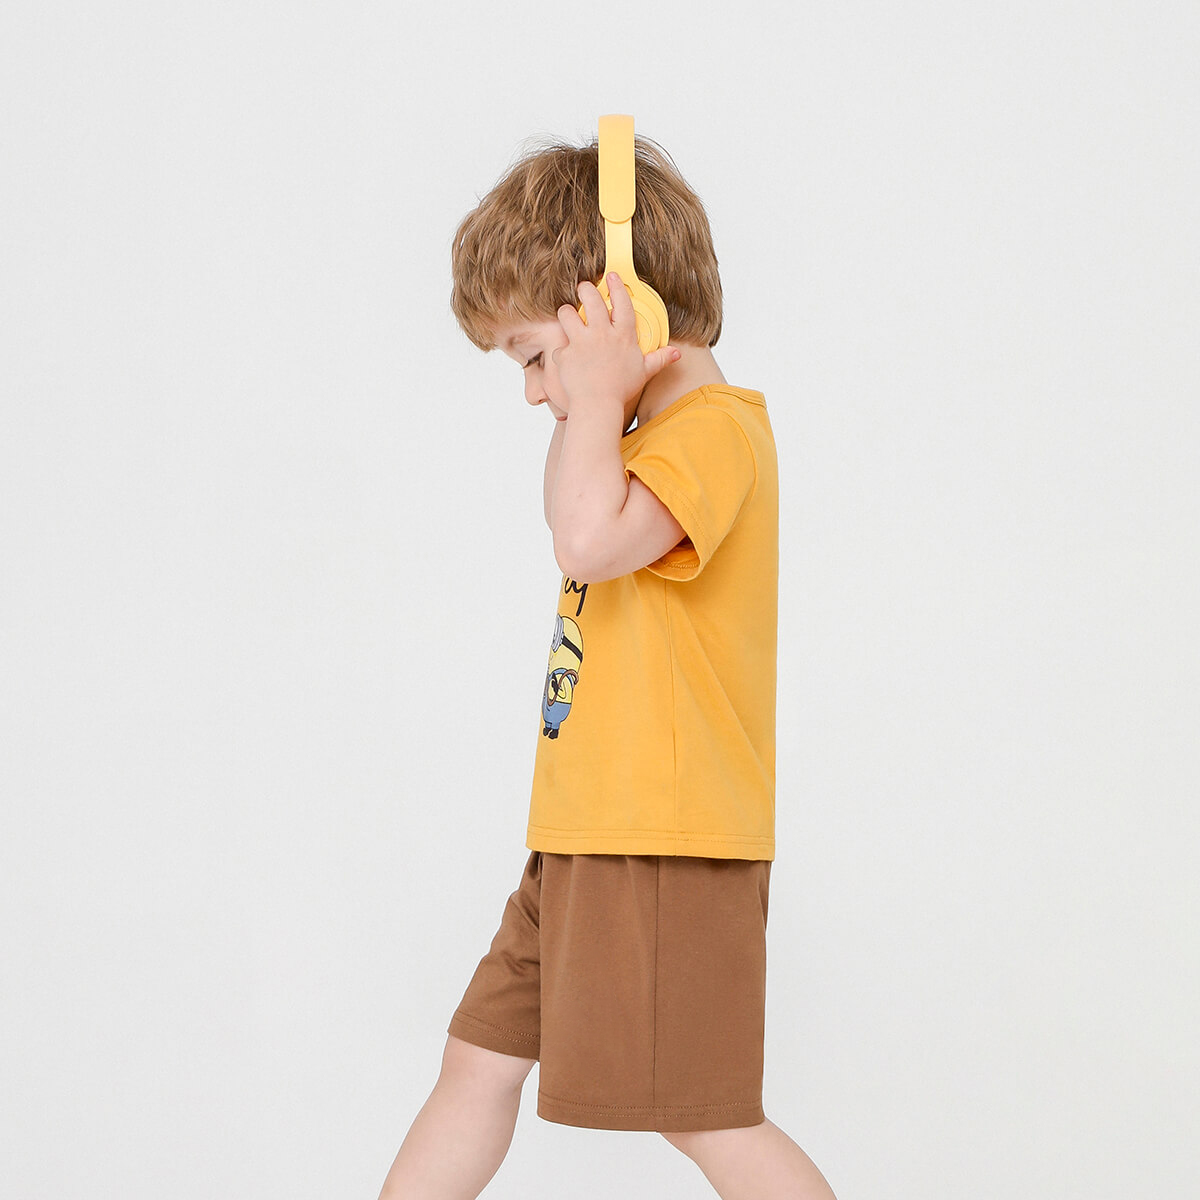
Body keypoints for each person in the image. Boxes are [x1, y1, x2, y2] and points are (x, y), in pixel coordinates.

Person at [377, 130, 838, 1200]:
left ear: (623, 311)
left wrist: (594, 400)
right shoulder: (628, 440)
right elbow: (571, 516)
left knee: (706, 1119)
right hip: (585, 832)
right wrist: (595, 402)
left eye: (538, 356)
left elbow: (586, 541)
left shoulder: (714, 434)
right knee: (477, 1063)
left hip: (662, 837)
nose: (535, 391)